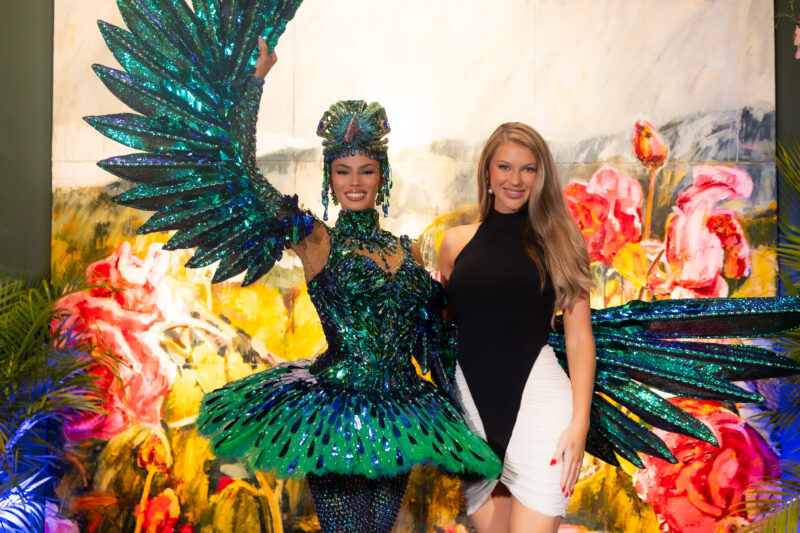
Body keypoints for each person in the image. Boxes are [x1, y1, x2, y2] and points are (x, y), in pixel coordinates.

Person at [196, 43, 502, 533]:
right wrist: (256, 81)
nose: (354, 182)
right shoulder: (317, 240)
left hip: (401, 413)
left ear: (382, 175)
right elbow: (246, 176)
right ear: (330, 176)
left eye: (366, 170)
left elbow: (444, 329)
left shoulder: (408, 251)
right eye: (343, 171)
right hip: (335, 411)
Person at [439, 122, 596, 533]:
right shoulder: (454, 242)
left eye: (528, 169)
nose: (516, 179)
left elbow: (579, 338)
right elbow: (449, 324)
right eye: (505, 167)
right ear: (487, 172)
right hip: (471, 414)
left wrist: (580, 423)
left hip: (541, 410)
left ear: (541, 176)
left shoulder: (562, 242)